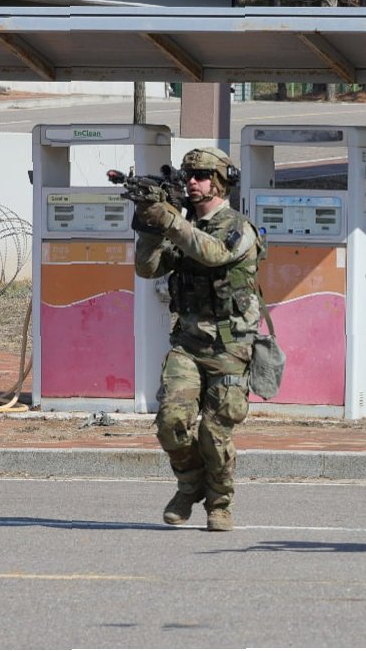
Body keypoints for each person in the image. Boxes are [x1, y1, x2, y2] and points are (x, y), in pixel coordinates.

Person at [133, 147, 264, 532]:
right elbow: (147, 268)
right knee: (171, 421)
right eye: (188, 175)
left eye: (202, 175)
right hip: (188, 343)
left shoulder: (238, 227)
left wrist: (170, 221)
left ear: (221, 181)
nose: (193, 181)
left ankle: (219, 503)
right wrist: (149, 226)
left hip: (229, 345)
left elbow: (214, 254)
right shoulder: (184, 224)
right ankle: (189, 486)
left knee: (213, 432)